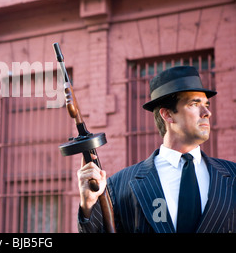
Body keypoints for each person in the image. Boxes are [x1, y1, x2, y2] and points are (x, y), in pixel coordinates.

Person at [77, 66, 235, 233]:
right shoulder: (119, 185)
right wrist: (87, 206)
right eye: (194, 104)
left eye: (206, 104)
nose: (207, 112)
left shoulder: (232, 176)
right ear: (167, 115)